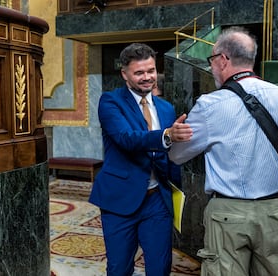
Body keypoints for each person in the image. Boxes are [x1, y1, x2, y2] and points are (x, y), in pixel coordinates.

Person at [168, 26, 278, 276]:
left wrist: (174, 137)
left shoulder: (210, 105)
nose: (212, 67)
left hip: (227, 214)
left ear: (223, 59)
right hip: (274, 211)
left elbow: (177, 155)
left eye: (212, 60)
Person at [89, 43, 192, 275]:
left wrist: (176, 191)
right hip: (119, 200)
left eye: (151, 71)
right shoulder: (110, 102)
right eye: (139, 73)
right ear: (124, 74)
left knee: (160, 267)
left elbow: (170, 155)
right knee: (119, 268)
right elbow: (127, 138)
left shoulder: (166, 108)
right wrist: (166, 135)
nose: (148, 78)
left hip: (157, 200)